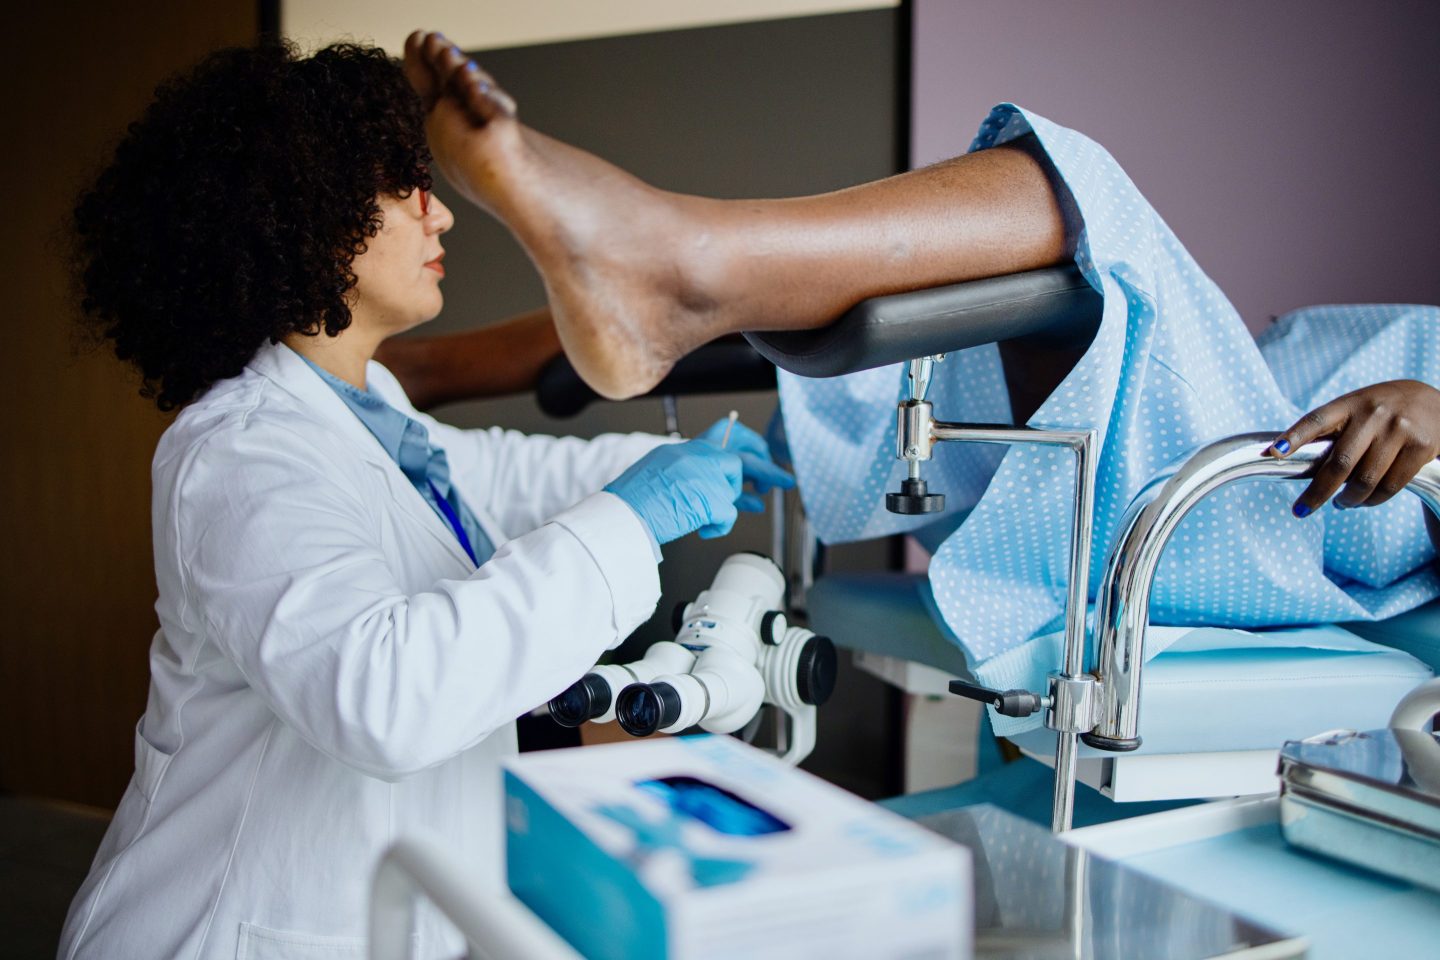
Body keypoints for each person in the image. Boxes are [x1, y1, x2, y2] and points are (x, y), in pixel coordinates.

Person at [397, 31, 1440, 700]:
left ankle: (676, 265)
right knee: (834, 317)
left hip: (1268, 501)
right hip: (1215, 401)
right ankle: (427, 367)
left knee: (1080, 207)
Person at [59, 42, 790, 960]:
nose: (438, 212)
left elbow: (484, 476)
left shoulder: (363, 400)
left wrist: (670, 463)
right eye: (403, 188)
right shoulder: (240, 451)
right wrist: (637, 515)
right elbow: (383, 696)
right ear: (307, 215)